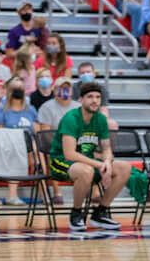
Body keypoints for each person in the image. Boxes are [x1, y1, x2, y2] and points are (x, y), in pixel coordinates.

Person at [47, 82, 131, 232]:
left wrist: (107, 162)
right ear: (80, 100)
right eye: (90, 97)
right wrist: (99, 165)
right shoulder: (71, 118)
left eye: (98, 97)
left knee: (124, 167)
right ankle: (76, 213)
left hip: (87, 161)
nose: (95, 100)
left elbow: (106, 147)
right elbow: (69, 154)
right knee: (86, 171)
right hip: (60, 161)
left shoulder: (100, 119)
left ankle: (100, 212)